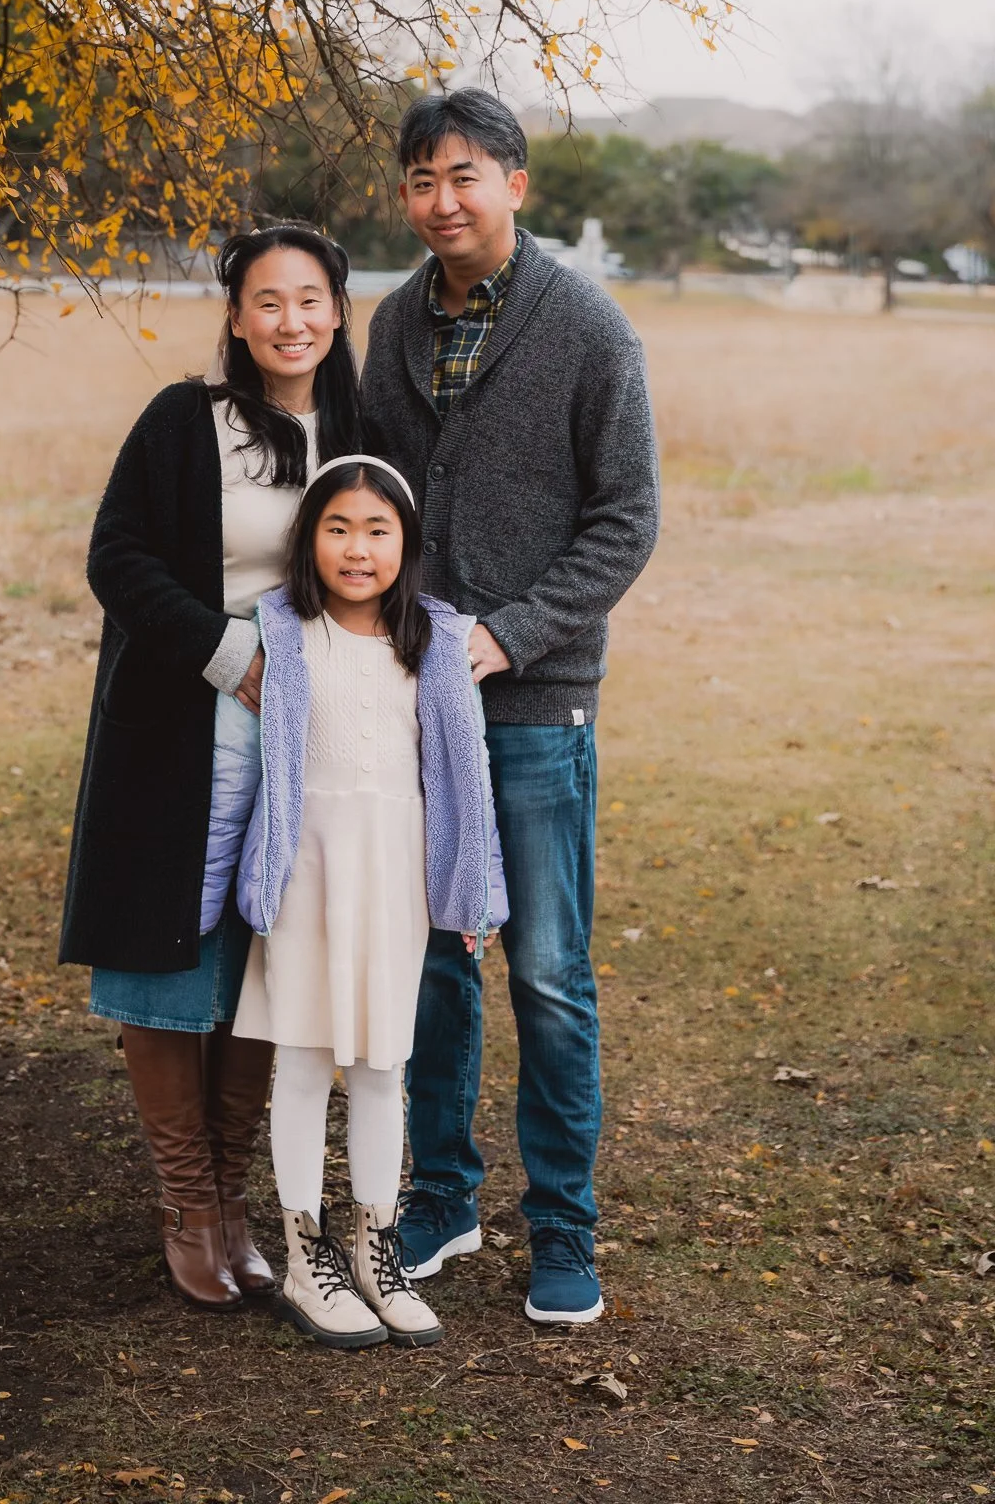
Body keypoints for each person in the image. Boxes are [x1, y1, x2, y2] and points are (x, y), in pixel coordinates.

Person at [359, 87, 660, 1325]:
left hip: (540, 707)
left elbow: (626, 519)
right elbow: (371, 490)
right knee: (432, 961)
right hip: (414, 701)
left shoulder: (589, 329)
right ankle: (441, 1194)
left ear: (516, 185)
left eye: (465, 175)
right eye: (422, 179)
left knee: (545, 968)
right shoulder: (393, 326)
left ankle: (565, 1228)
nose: (443, 200)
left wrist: (509, 634)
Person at [58, 226, 361, 1310]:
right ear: (237, 317)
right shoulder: (188, 422)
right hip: (184, 716)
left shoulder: (360, 431)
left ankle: (235, 1201)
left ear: (337, 309)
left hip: (310, 721)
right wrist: (224, 650)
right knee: (168, 951)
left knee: (261, 956)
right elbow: (118, 555)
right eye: (268, 301)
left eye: (311, 298)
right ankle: (186, 1201)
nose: (291, 319)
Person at [224, 457, 509, 1348]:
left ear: (407, 544)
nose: (357, 548)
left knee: (384, 1065)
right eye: (337, 527)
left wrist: (471, 891)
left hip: (393, 874)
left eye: (377, 530)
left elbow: (465, 784)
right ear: (309, 540)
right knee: (306, 1062)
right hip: (307, 869)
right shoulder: (282, 633)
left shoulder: (434, 642)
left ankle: (374, 1247)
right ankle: (306, 1252)